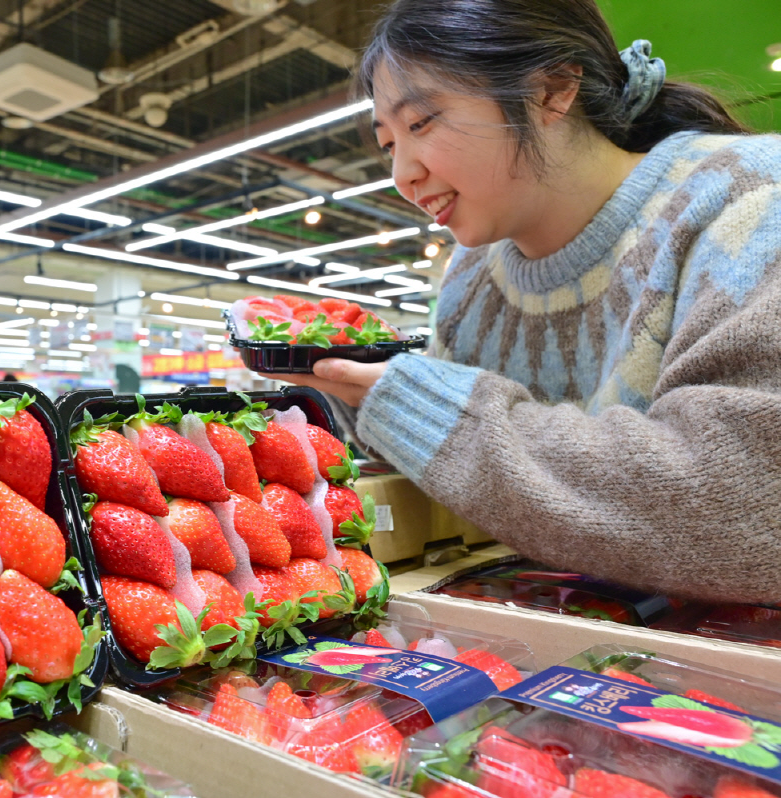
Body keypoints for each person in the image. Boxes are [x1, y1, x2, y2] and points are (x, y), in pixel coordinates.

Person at [276, 0, 781, 603]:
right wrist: (352, 393)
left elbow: (747, 505)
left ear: (552, 90)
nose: (402, 175)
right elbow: (480, 481)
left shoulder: (750, 199)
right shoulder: (470, 275)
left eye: (421, 123)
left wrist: (433, 413)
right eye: (388, 145)